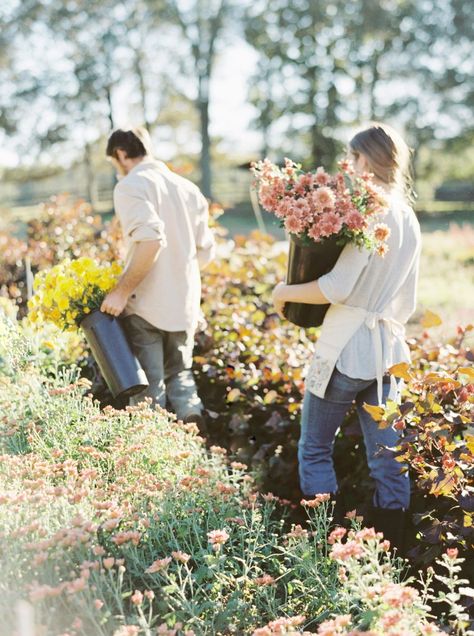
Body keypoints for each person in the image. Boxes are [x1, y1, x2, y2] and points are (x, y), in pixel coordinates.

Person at [272, 123, 421, 553]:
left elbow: (337, 286)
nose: (350, 167)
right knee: (388, 462)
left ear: (368, 159)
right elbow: (406, 299)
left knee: (315, 449)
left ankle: (323, 545)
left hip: (344, 348)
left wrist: (286, 292)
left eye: (354, 158)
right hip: (388, 353)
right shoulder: (408, 216)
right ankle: (388, 553)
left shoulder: (370, 210)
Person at [101, 127, 216, 429]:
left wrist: (121, 292)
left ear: (122, 155)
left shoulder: (130, 186)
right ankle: (193, 431)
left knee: (149, 390)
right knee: (180, 376)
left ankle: (152, 464)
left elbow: (151, 240)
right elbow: (205, 252)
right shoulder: (188, 189)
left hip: (146, 307)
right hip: (184, 306)